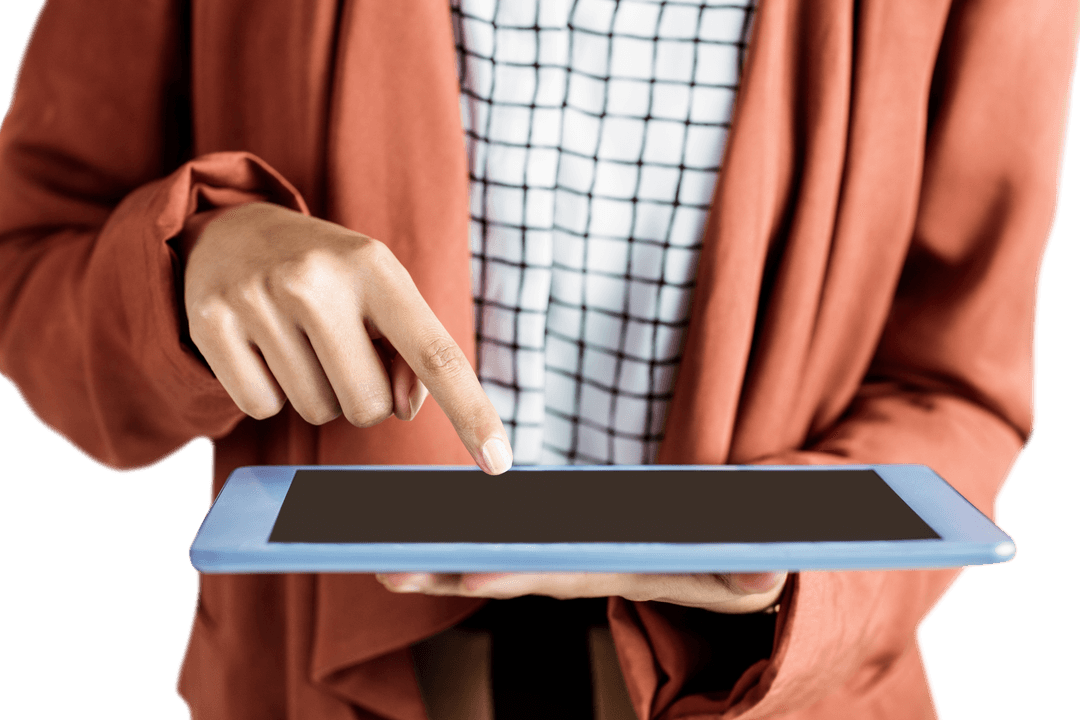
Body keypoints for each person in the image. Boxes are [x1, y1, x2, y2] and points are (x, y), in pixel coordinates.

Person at [0, 0, 1074, 719]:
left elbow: (958, 382)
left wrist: (804, 567)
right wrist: (192, 265)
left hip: (768, 687)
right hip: (308, 680)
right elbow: (33, 260)